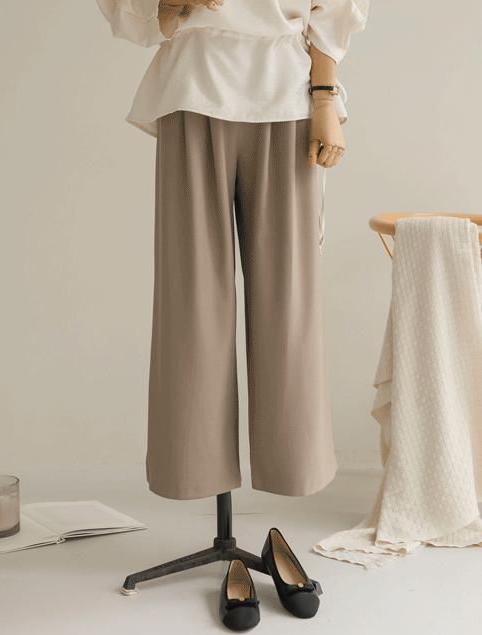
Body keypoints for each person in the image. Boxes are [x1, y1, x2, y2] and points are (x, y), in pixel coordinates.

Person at [95, 1, 370, 500]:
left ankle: (293, 469)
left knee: (288, 304)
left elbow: (333, 7)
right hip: (193, 86)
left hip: (287, 93)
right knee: (191, 303)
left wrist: (325, 100)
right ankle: (192, 471)